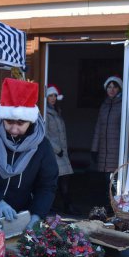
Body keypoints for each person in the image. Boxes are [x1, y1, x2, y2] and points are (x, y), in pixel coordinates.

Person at [0, 78, 58, 229]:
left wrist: (36, 215)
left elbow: (47, 185)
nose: (14, 129)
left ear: (31, 121)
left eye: (20, 124)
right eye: (9, 122)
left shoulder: (42, 145)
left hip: (21, 217)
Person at [90, 75, 123, 211]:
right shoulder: (104, 106)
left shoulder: (122, 104)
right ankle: (108, 204)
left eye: (114, 87)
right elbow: (98, 127)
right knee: (105, 179)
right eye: (109, 87)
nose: (112, 89)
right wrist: (94, 149)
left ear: (119, 88)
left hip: (116, 150)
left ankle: (115, 206)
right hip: (104, 149)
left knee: (114, 179)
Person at [44, 84, 78, 215]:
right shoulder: (46, 113)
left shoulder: (56, 111)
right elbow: (45, 134)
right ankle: (66, 206)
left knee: (64, 180)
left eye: (54, 96)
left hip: (61, 153)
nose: (53, 98)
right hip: (54, 153)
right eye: (50, 96)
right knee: (57, 181)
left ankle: (64, 205)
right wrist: (57, 149)